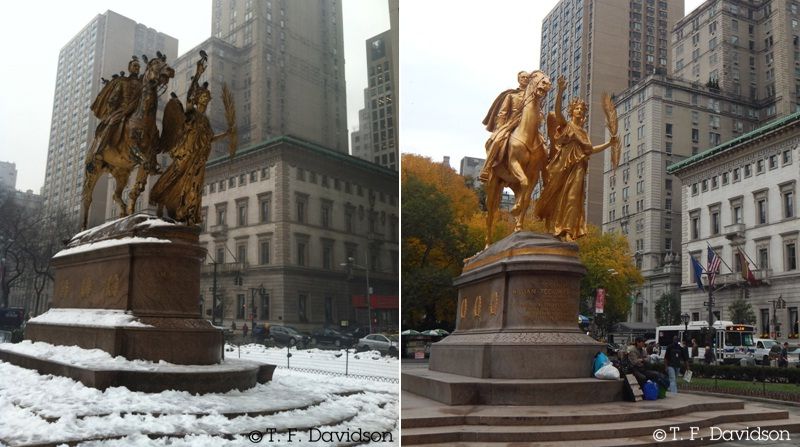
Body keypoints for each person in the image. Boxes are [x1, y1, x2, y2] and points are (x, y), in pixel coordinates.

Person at [150, 55, 235, 225]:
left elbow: (210, 139)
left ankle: (185, 214)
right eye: (203, 97)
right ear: (198, 99)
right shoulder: (191, 113)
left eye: (207, 98)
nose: (205, 100)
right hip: (186, 155)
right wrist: (197, 74)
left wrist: (226, 134)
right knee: (174, 177)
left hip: (198, 161)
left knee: (193, 189)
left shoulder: (205, 121)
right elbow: (189, 96)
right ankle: (161, 204)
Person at [533, 75, 618, 241]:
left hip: (578, 168)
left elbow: (590, 150)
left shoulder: (584, 133)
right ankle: (553, 226)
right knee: (556, 196)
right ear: (571, 111)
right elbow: (557, 112)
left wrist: (609, 143)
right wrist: (560, 91)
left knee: (574, 198)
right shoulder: (567, 125)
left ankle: (568, 231)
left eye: (582, 109)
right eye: (577, 108)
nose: (579, 111)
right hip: (561, 167)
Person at [88, 56, 142, 166]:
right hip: (122, 110)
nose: (137, 68)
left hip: (137, 112)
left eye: (138, 67)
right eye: (135, 66)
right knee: (112, 122)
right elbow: (113, 99)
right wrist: (112, 112)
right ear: (129, 68)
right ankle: (100, 150)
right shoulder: (122, 82)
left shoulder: (142, 85)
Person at [479, 71, 531, 182]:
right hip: (511, 124)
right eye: (523, 77)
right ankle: (487, 167)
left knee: (543, 147)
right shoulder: (511, 95)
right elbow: (502, 113)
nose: (525, 79)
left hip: (528, 126)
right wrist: (500, 128)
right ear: (519, 79)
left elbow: (538, 113)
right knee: (497, 140)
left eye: (527, 77)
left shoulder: (533, 97)